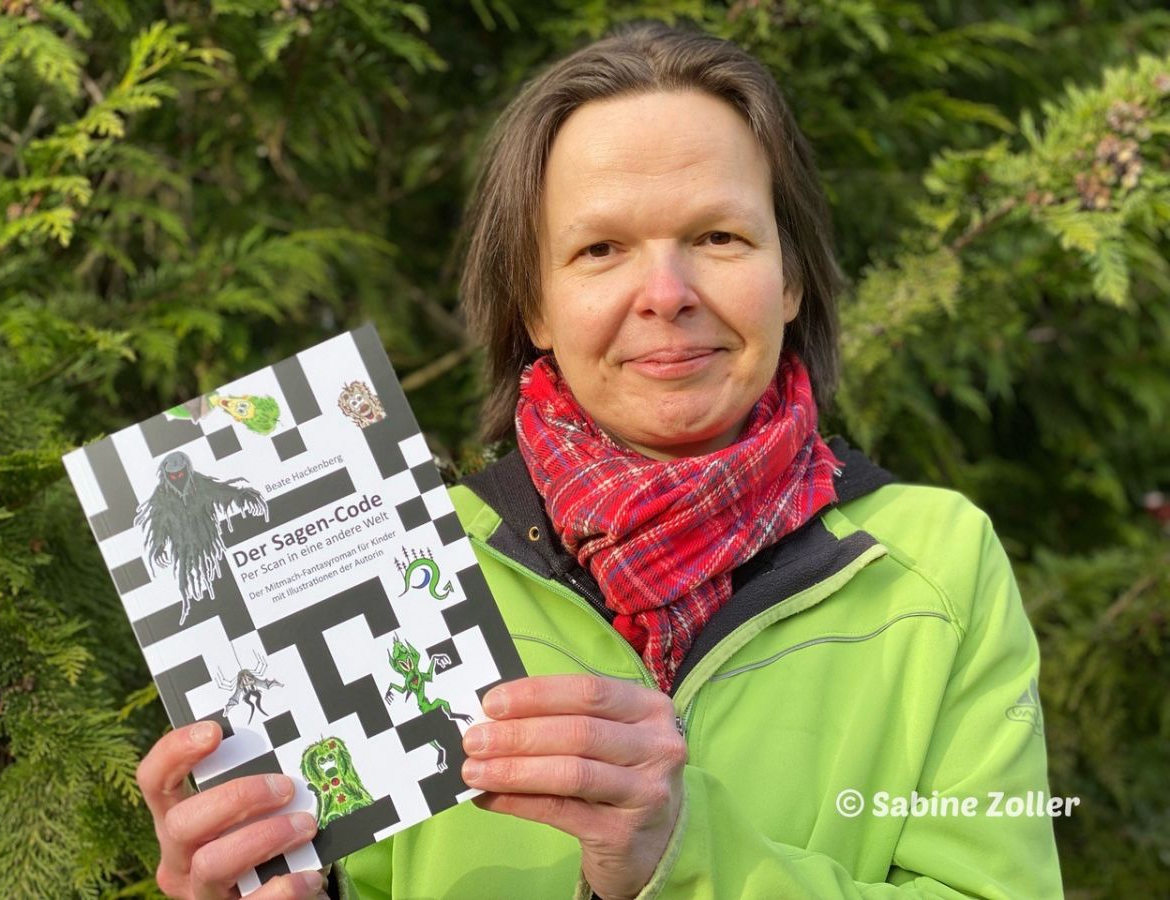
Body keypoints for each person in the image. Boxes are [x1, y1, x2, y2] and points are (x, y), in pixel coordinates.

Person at [136, 23, 1065, 900]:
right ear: (533, 305)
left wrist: (682, 859)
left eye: (719, 237)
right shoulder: (403, 565)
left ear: (790, 278)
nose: (665, 293)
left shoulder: (939, 564)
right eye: (601, 248)